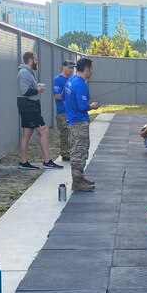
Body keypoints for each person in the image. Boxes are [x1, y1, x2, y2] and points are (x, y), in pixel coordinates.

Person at [16, 51, 63, 170]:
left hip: (28, 105)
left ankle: (23, 162)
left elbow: (28, 88)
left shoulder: (27, 72)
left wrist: (37, 86)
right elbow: (25, 91)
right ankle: (47, 161)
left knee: (27, 133)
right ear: (31, 60)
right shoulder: (24, 73)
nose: (37, 62)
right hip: (29, 106)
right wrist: (38, 90)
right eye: (36, 60)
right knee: (43, 130)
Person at [64, 57, 99, 192]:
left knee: (77, 150)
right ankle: (77, 182)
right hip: (79, 123)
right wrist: (93, 106)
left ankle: (80, 177)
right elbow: (83, 106)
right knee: (79, 152)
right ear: (86, 69)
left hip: (72, 121)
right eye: (91, 69)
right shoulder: (80, 85)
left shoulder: (70, 81)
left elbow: (64, 98)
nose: (92, 72)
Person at [52, 60, 76, 161]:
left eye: (72, 68)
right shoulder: (58, 80)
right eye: (69, 68)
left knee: (72, 133)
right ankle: (65, 154)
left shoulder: (72, 80)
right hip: (62, 111)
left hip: (71, 111)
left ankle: (71, 152)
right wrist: (68, 99)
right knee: (65, 133)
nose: (71, 70)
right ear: (63, 67)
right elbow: (57, 95)